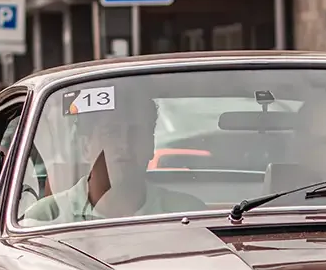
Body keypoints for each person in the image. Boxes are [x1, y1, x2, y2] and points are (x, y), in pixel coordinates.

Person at [21, 93, 203, 224]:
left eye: (136, 132)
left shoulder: (187, 213)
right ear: (86, 147)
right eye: (112, 133)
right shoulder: (45, 218)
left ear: (151, 144)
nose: (124, 144)